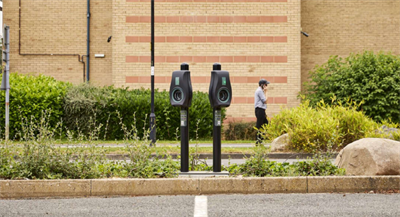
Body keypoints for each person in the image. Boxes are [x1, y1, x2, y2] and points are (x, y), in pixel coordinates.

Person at [254, 78, 270, 144]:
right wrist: (266, 92)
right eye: (266, 84)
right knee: (260, 125)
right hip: (259, 110)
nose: (267, 86)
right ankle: (258, 141)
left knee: (266, 124)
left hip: (261, 110)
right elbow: (265, 101)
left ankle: (261, 139)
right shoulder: (260, 91)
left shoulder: (261, 91)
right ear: (262, 85)